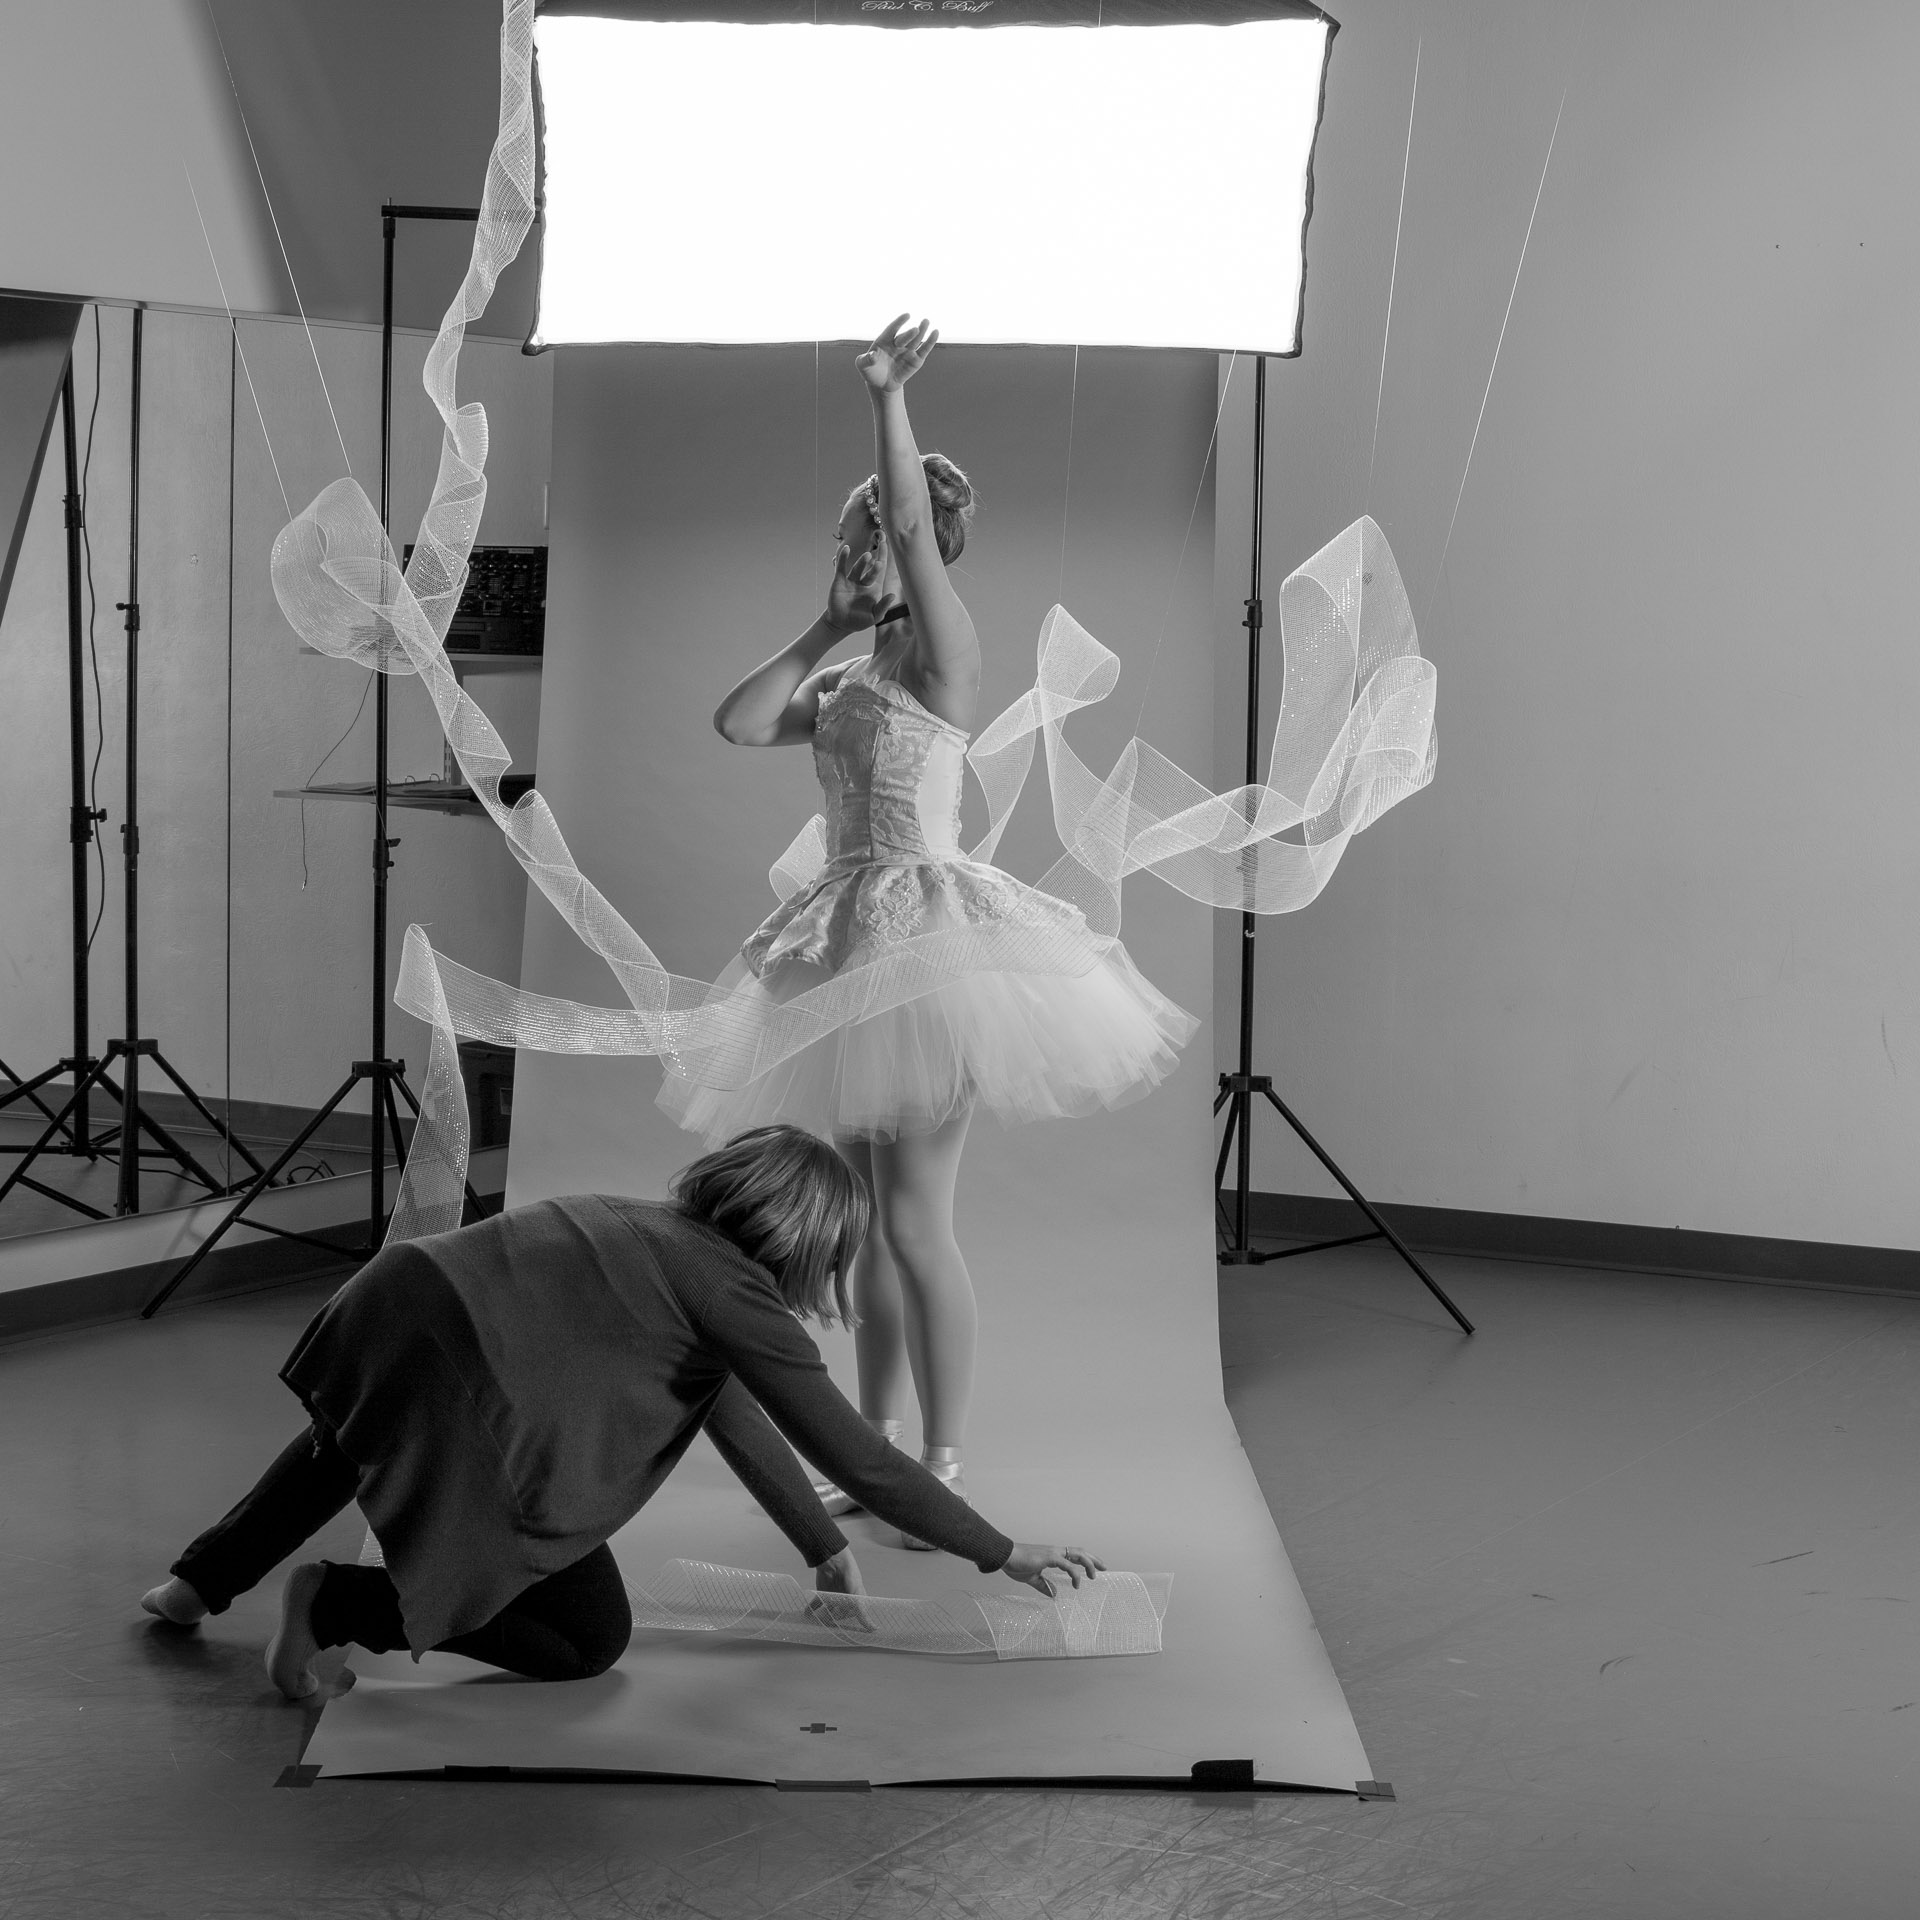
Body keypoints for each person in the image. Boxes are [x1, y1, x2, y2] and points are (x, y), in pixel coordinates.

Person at [660, 316, 1196, 1541]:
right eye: (845, 542)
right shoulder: (851, 673)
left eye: (869, 538)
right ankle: (883, 1447)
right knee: (857, 1228)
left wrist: (887, 397)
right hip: (851, 944)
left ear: (917, 548)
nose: (858, 553)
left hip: (936, 941)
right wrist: (822, 626)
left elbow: (907, 524)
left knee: (913, 1221)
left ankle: (942, 1463)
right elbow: (740, 726)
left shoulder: (945, 653)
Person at [139, 1125, 1102, 1701]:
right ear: (816, 1243)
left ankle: (193, 1587)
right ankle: (339, 1605)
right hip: (471, 1384)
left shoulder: (644, 1225)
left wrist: (820, 1547)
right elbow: (859, 1455)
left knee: (345, 1443)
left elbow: (727, 1411)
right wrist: (1000, 1550)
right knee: (586, 1640)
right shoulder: (735, 1294)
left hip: (391, 1298)